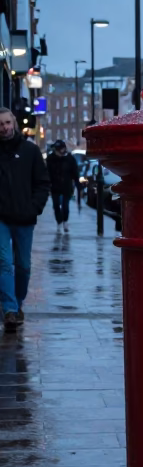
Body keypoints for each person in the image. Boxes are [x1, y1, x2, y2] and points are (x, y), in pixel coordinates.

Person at [0, 107, 50, 331]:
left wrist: (33, 208)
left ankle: (18, 303)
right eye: (0, 124)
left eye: (7, 123)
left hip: (24, 217)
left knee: (23, 266)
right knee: (3, 263)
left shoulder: (30, 151)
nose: (4, 128)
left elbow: (42, 183)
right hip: (0, 218)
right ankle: (9, 309)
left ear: (14, 124)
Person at [47, 140, 79, 230]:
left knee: (66, 206)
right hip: (54, 186)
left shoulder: (70, 159)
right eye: (55, 150)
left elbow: (75, 172)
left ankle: (65, 221)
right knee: (56, 205)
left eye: (58, 150)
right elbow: (47, 172)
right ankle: (59, 221)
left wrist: (77, 183)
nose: (56, 152)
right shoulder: (50, 158)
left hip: (66, 186)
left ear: (63, 149)